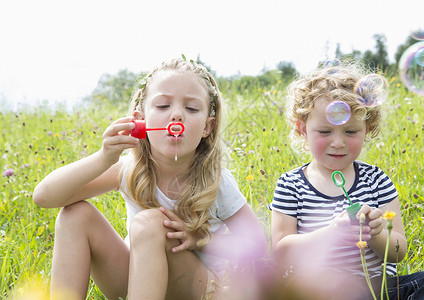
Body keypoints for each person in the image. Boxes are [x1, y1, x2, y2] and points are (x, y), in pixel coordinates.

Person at [33, 58, 266, 300]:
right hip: (135, 279)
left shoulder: (216, 182)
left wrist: (201, 239)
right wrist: (104, 158)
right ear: (140, 120)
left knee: (152, 223)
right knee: (75, 215)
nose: (176, 115)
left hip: (194, 289)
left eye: (192, 109)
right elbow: (44, 197)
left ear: (207, 127)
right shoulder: (128, 169)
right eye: (163, 106)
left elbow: (255, 246)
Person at [269, 62, 424, 299]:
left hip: (378, 289)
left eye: (350, 131)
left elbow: (398, 252)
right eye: (325, 132)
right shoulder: (292, 184)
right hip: (320, 289)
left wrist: (377, 233)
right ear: (303, 129)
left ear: (367, 129)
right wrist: (331, 233)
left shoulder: (376, 180)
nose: (338, 143)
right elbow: (281, 250)